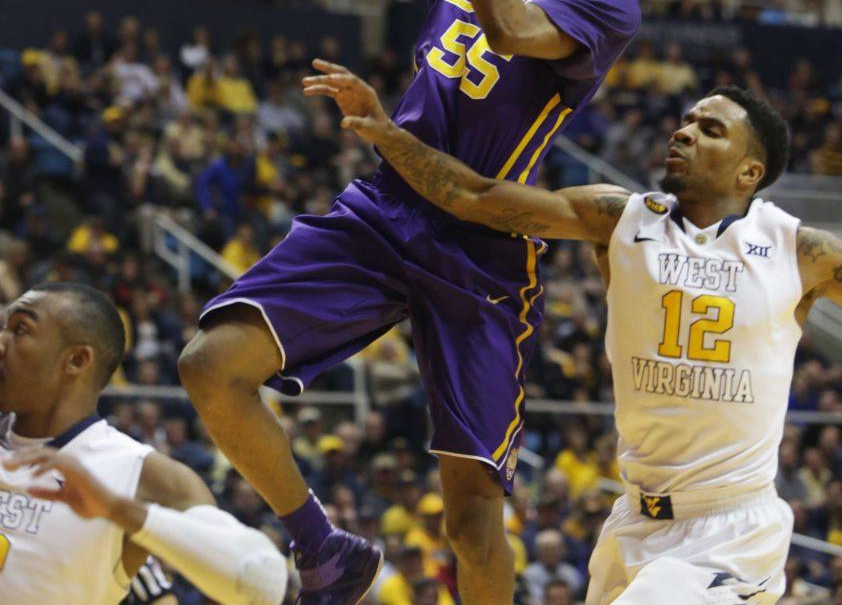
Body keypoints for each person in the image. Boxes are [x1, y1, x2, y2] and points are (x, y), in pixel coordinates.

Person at [178, 0, 645, 605]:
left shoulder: (604, 8)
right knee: (210, 364)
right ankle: (323, 549)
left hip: (479, 251)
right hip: (383, 206)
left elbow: (515, 32)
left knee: (472, 523)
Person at [302, 62, 842, 605]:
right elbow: (476, 197)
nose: (684, 132)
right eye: (688, 121)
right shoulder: (620, 219)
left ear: (749, 173)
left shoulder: (798, 251)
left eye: (710, 130)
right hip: (634, 520)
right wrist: (387, 132)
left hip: (730, 526)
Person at [0, 282, 288, 605]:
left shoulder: (137, 473)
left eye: (20, 329)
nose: (1, 343)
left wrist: (119, 510)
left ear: (77, 360)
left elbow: (264, 583)